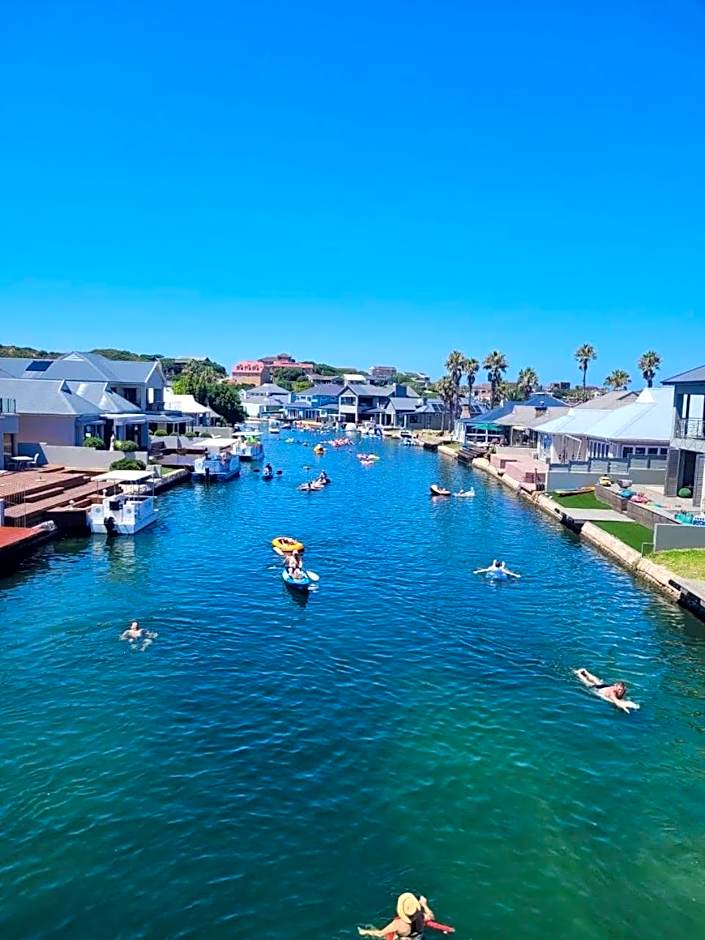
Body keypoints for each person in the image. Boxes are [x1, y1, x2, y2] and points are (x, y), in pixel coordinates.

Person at [358, 893, 434, 938]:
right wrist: (425, 905)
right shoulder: (421, 916)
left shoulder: (397, 924)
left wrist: (364, 932)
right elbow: (432, 918)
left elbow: (380, 934)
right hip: (418, 937)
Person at [573, 668, 640, 712]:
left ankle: (586, 672)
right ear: (616, 687)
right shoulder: (612, 693)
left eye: (621, 690)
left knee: (597, 681)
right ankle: (578, 673)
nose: (620, 691)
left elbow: (621, 697)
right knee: (587, 683)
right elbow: (616, 701)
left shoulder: (622, 690)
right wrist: (623, 708)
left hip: (605, 686)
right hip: (598, 689)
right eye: (619, 689)